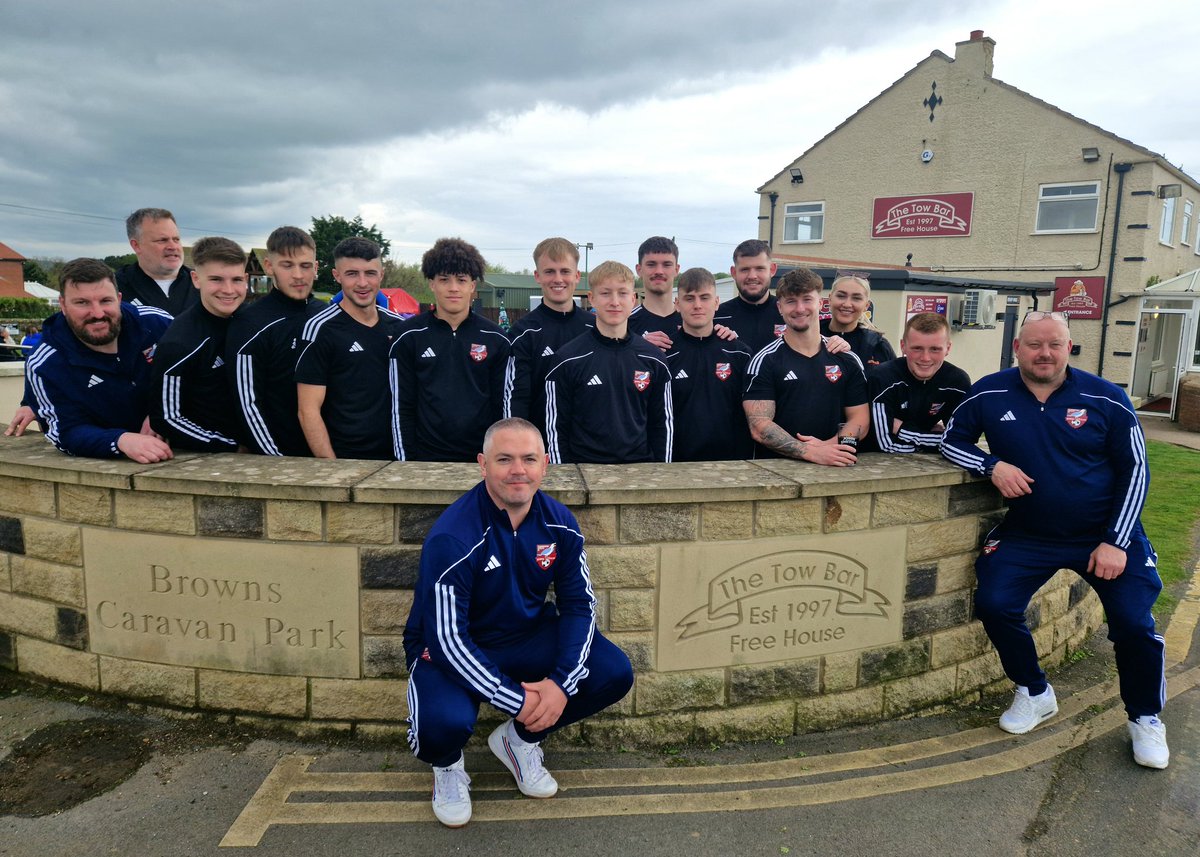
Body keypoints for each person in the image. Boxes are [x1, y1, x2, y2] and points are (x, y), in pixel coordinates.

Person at [940, 311, 1168, 769]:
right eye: (1034, 344)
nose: (1045, 353)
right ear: (1017, 347)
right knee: (995, 604)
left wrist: (1117, 541)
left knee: (1134, 625)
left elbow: (1136, 471)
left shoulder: (1106, 397)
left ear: (1069, 347)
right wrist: (992, 466)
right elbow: (951, 441)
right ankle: (1035, 691)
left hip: (1104, 536)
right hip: (1030, 533)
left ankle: (1145, 718)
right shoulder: (989, 390)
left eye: (1055, 344)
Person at [403, 417, 634, 828]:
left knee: (613, 672)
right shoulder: (453, 536)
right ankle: (448, 768)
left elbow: (580, 605)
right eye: (504, 459)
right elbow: (446, 638)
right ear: (482, 465)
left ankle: (519, 741)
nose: (518, 470)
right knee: (444, 724)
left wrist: (561, 684)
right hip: (451, 648)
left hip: (525, 635)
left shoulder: (560, 522)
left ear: (545, 464)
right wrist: (523, 701)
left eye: (529, 459)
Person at [23, 258, 173, 461]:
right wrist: (121, 440)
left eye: (105, 301)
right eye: (82, 302)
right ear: (63, 305)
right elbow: (65, 431)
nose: (97, 313)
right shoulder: (45, 363)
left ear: (119, 299)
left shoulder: (159, 324)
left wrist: (161, 413)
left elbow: (201, 378)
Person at [390, 238, 510, 461]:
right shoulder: (408, 336)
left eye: (461, 280)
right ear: (432, 283)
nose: (453, 288)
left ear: (472, 286)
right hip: (425, 459)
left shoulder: (496, 339)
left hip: (481, 459)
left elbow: (503, 408)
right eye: (444, 279)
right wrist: (405, 463)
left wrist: (497, 459)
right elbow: (400, 406)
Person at [543, 260, 673, 464]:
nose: (615, 302)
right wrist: (566, 477)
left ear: (633, 299)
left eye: (622, 293)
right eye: (605, 293)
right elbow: (556, 428)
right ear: (592, 299)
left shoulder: (654, 359)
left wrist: (659, 473)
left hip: (640, 470)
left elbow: (662, 424)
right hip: (584, 471)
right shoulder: (567, 359)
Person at [743, 267, 868, 465]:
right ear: (780, 307)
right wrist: (810, 452)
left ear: (820, 303)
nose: (800, 308)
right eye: (791, 301)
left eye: (807, 299)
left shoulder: (847, 358)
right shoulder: (764, 360)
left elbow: (860, 418)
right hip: (777, 474)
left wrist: (830, 447)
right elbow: (759, 426)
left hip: (835, 465)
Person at [295, 237, 403, 459]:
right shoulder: (319, 329)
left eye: (370, 273)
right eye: (352, 274)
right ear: (337, 276)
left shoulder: (398, 326)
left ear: (381, 275)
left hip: (397, 457)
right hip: (346, 458)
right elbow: (308, 411)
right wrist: (333, 468)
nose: (362, 283)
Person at [226, 226, 325, 457]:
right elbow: (248, 404)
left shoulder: (326, 314)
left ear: (316, 267)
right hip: (280, 455)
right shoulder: (249, 322)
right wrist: (276, 458)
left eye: (305, 266)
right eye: (287, 265)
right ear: (270, 267)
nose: (298, 275)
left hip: (330, 452)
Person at [149, 237, 248, 451]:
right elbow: (166, 418)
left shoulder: (253, 322)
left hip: (265, 449)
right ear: (196, 279)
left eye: (237, 280)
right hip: (220, 460)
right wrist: (232, 447)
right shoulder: (180, 342)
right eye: (216, 279)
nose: (229, 289)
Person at [503, 237, 593, 436]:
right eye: (550, 271)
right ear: (537, 276)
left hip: (589, 446)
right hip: (540, 445)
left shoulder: (594, 327)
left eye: (565, 271)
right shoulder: (523, 333)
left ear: (577, 275)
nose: (558, 279)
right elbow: (516, 398)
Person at [665, 268, 753, 461]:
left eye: (704, 298)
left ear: (716, 302)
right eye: (689, 298)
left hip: (733, 464)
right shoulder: (665, 356)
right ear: (677, 304)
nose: (697, 305)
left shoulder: (740, 353)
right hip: (679, 465)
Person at [867, 312, 970, 453]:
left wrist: (901, 429)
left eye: (935, 349)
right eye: (917, 348)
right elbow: (886, 444)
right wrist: (934, 439)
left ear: (948, 348)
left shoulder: (957, 382)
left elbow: (960, 441)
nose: (925, 358)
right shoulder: (883, 378)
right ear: (903, 346)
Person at [115, 208, 199, 316]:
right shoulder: (115, 287)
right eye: (162, 240)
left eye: (176, 239)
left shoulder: (203, 284)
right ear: (136, 245)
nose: (173, 247)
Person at [714, 239, 782, 354]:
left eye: (759, 268)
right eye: (745, 269)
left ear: (772, 269)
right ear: (734, 272)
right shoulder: (715, 317)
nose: (752, 276)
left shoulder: (790, 315)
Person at [819, 272, 895, 367]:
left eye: (856, 298)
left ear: (866, 305)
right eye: (841, 296)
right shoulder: (812, 335)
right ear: (830, 299)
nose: (847, 304)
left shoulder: (877, 345)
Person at [627, 236, 683, 350]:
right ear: (639, 270)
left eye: (667, 264)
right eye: (651, 264)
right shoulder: (625, 323)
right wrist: (638, 347)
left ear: (676, 269)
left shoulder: (691, 318)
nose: (659, 271)